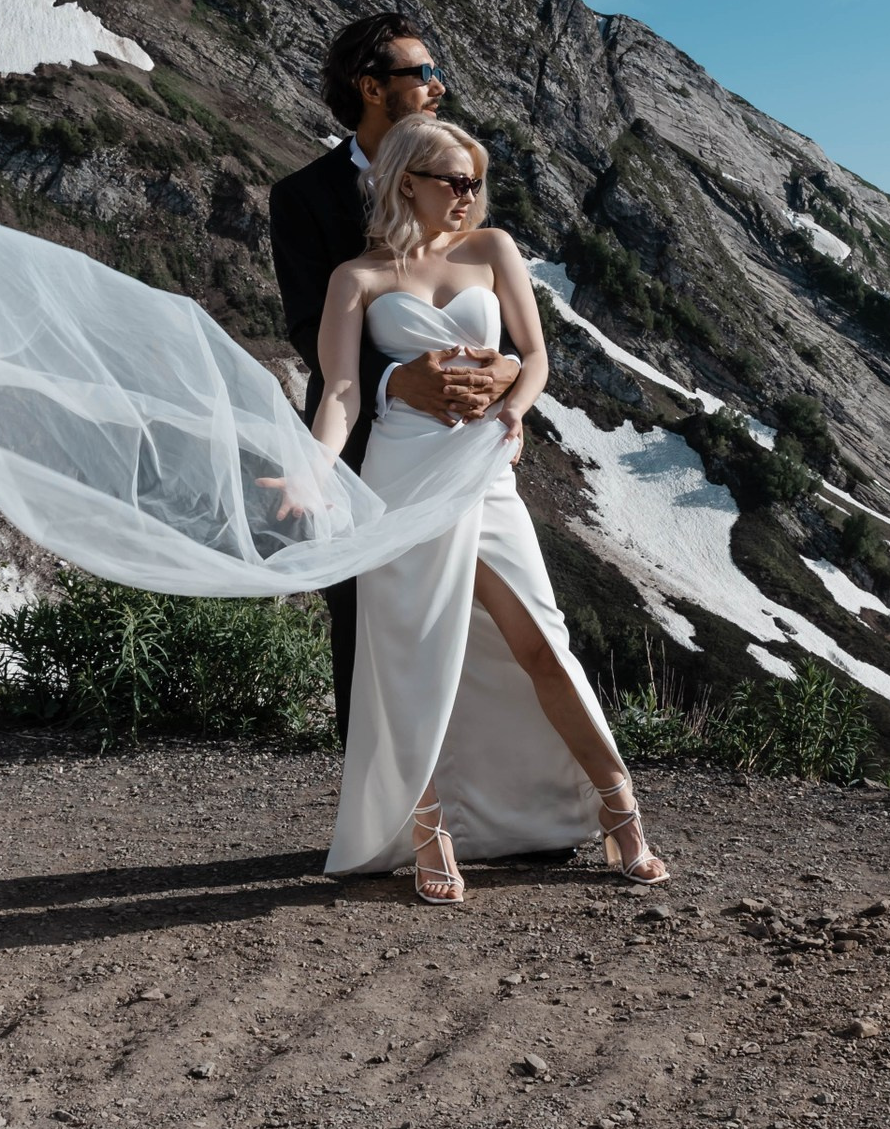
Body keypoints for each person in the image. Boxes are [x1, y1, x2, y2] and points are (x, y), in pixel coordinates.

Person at [286, 115, 669, 903]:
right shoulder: (354, 277)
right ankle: (427, 832)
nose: (468, 195)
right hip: (401, 475)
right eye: (453, 181)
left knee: (542, 643)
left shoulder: (492, 250)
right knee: (410, 663)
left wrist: (515, 412)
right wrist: (312, 469)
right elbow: (343, 391)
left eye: (474, 181)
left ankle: (620, 810)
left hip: (485, 469)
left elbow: (535, 358)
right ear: (406, 183)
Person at [269, 14, 518, 739]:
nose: (438, 86)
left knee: (488, 623)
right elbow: (306, 324)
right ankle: (377, 817)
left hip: (467, 441)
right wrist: (394, 382)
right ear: (372, 87)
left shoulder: (457, 171)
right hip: (363, 446)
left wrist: (504, 369)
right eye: (422, 73)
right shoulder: (304, 197)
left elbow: (496, 295)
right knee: (368, 621)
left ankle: (490, 807)